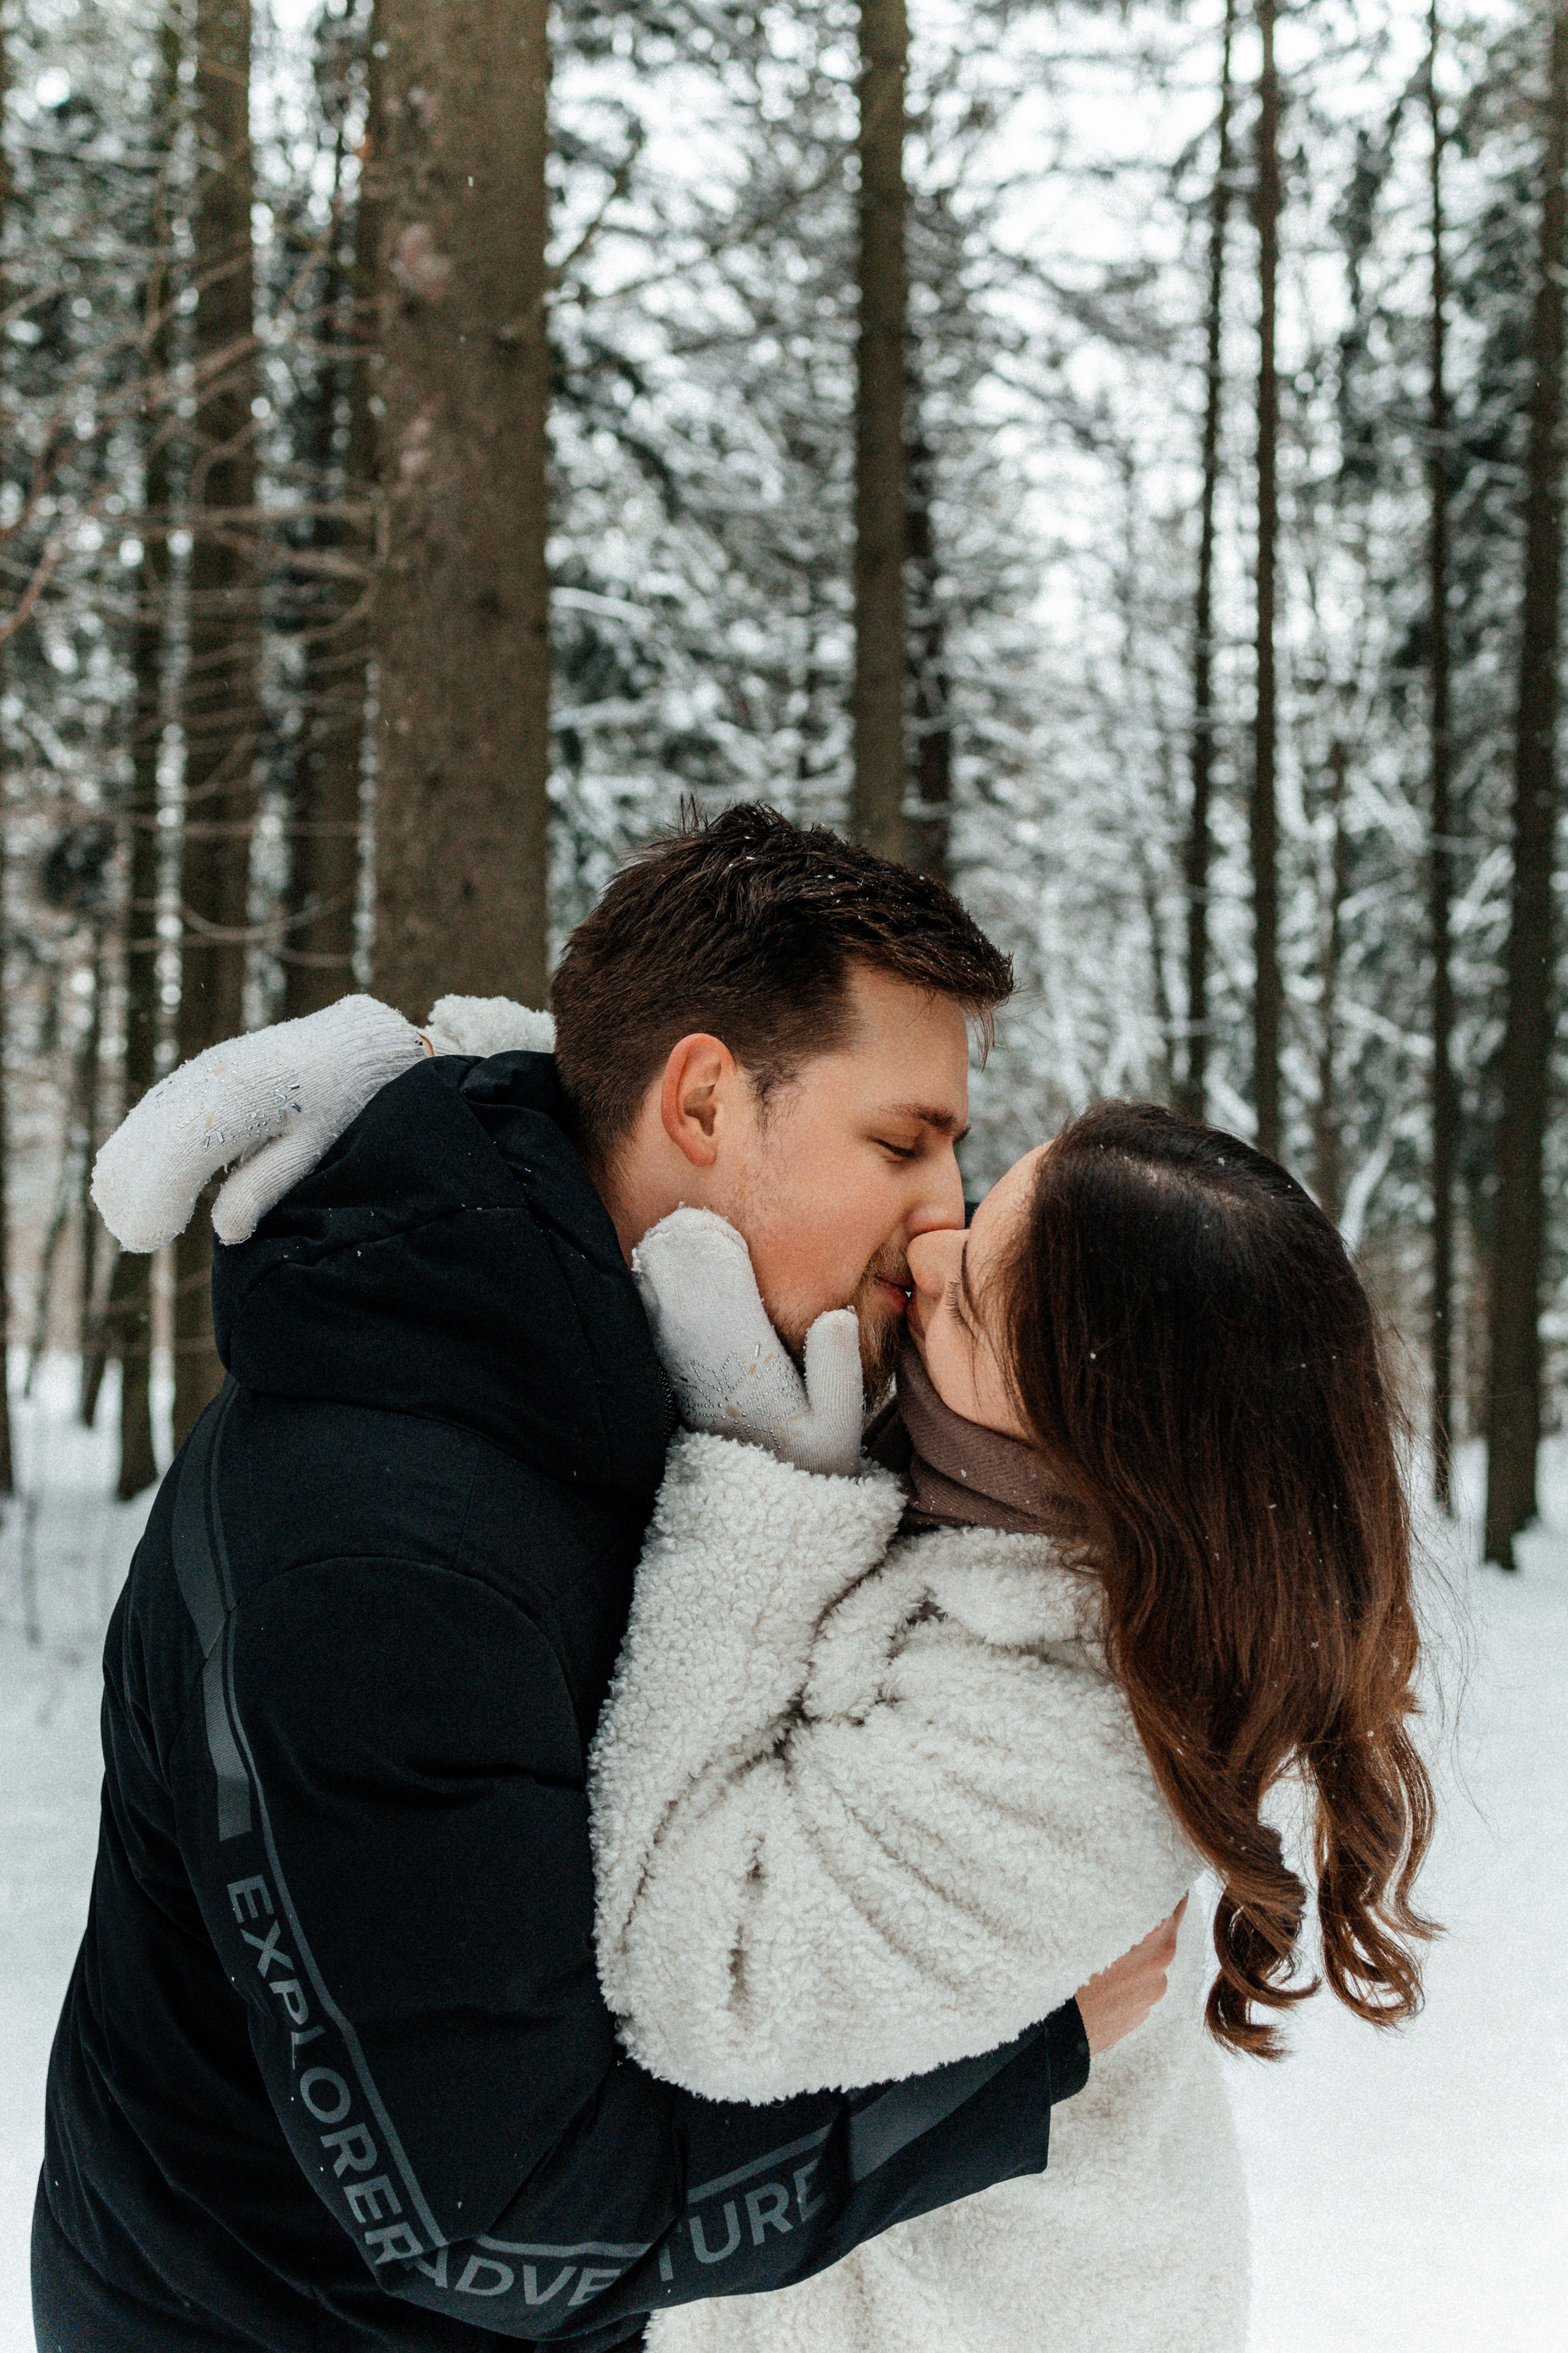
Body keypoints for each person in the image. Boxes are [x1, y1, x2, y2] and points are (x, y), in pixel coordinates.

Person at [38, 807, 1175, 2353]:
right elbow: (496, 2215)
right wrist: (1010, 2070)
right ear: (703, 1098)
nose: (941, 1216)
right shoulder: (380, 1555)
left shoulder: (681, 1355)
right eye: (900, 1142)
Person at [586, 1105, 1438, 2353]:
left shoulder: (1070, 1748)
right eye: (981, 1216)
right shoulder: (1008, 1528)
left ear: (1100, 1443)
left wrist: (760, 1493)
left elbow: (694, 1981)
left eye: (973, 1303)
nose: (930, 1249)